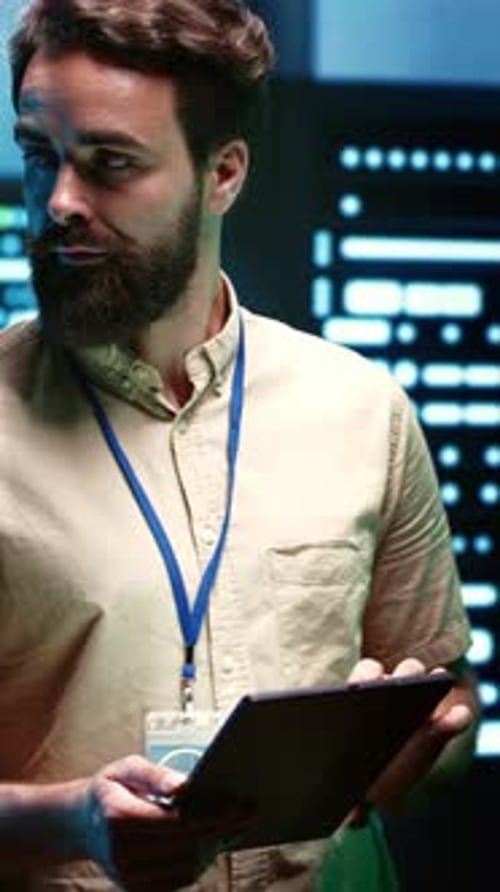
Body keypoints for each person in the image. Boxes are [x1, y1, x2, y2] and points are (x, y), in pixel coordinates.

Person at [0, 0, 480, 889]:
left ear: (223, 174)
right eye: (41, 157)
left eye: (110, 165)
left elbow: (449, 693)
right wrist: (65, 818)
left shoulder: (362, 409)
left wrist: (420, 750)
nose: (60, 201)